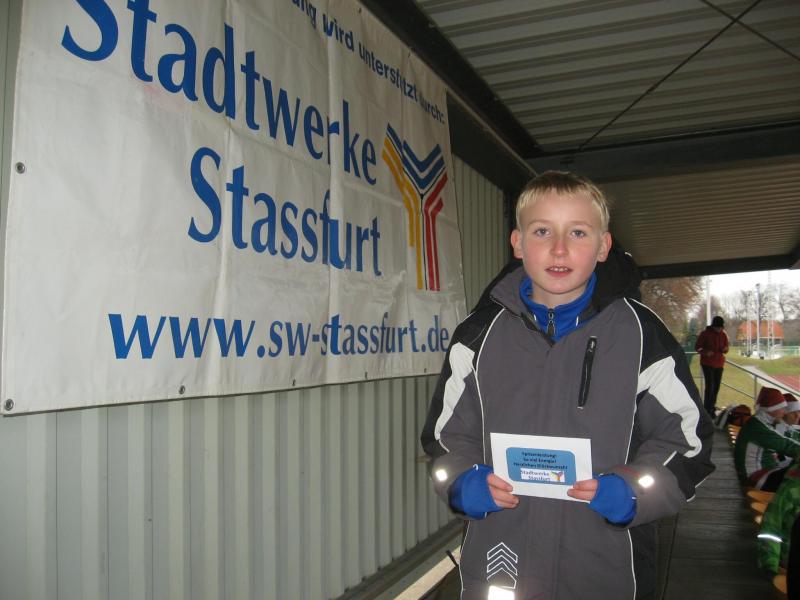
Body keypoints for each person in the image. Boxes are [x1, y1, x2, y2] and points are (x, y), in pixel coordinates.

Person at [420, 171, 715, 600]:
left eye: (578, 232)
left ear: (603, 246)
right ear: (518, 243)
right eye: (542, 231)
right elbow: (445, 440)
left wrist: (635, 491)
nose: (559, 249)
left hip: (606, 572)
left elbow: (688, 442)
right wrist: (462, 483)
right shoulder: (476, 336)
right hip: (501, 567)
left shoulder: (642, 336)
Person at [734, 387, 800, 491]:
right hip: (755, 477)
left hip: (763, 473)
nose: (784, 413)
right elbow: (787, 445)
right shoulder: (757, 427)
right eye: (782, 408)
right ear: (772, 409)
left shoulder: (759, 422)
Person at [695, 315, 729, 417]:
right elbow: (698, 347)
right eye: (717, 327)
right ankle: (706, 410)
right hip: (707, 363)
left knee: (716, 387)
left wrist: (725, 349)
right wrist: (706, 352)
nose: (719, 329)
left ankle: (712, 408)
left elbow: (726, 348)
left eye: (721, 327)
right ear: (713, 326)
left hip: (719, 364)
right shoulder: (705, 334)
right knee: (710, 386)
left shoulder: (723, 335)